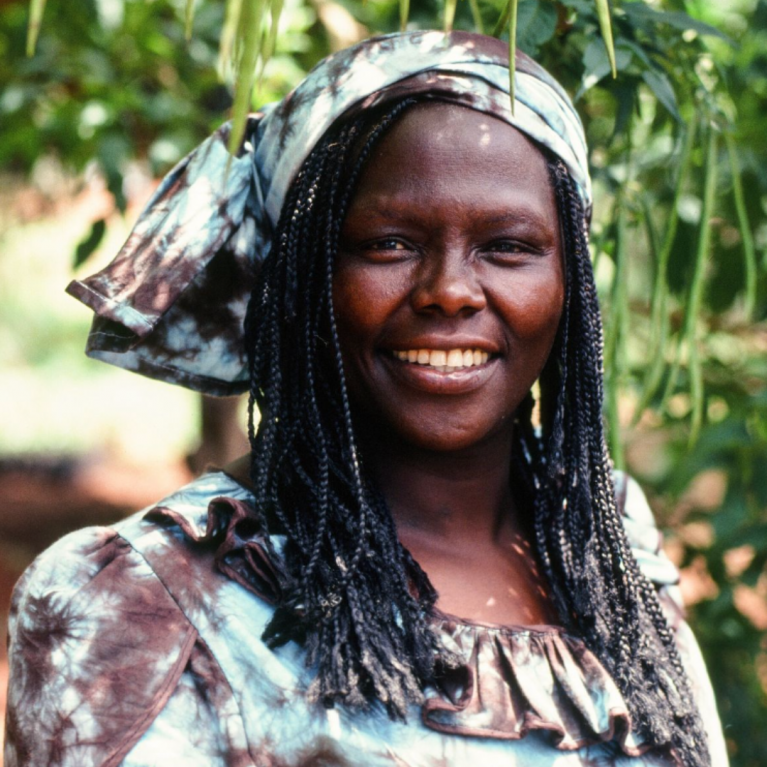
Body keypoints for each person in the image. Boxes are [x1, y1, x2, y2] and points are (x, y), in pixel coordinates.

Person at [4, 30, 728, 767]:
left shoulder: (604, 542)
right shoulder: (144, 604)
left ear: (568, 281)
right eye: (389, 244)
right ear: (302, 281)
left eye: (507, 246)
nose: (448, 290)